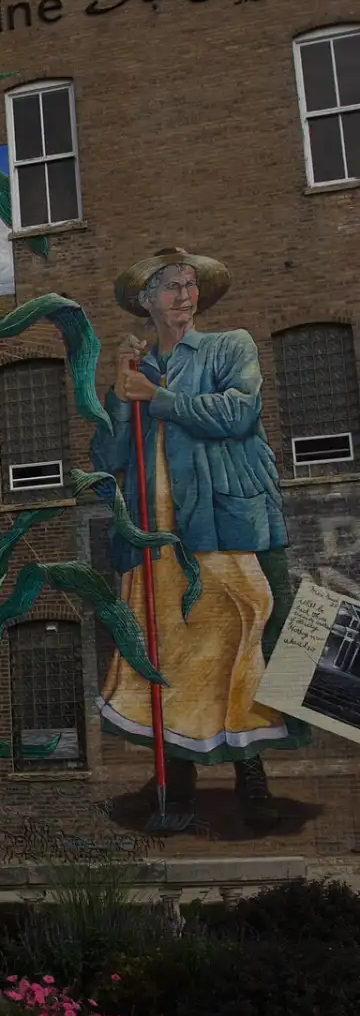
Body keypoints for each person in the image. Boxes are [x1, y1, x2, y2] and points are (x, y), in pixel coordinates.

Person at [91, 248, 308, 827]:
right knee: (166, 643)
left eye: (189, 285)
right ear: (145, 301)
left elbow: (239, 412)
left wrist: (157, 399)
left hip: (218, 518)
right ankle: (177, 777)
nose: (184, 296)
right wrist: (119, 391)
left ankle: (252, 775)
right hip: (154, 529)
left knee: (243, 625)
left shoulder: (228, 346)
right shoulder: (136, 366)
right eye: (170, 288)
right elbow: (109, 454)